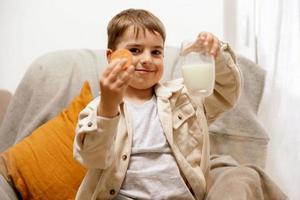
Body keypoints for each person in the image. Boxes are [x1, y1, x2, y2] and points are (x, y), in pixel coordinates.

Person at [73, 8, 287, 200]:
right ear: (112, 56)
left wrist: (216, 54)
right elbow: (92, 157)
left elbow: (227, 90)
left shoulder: (183, 97)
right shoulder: (98, 108)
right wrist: (108, 106)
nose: (147, 59)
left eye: (156, 52)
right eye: (135, 50)